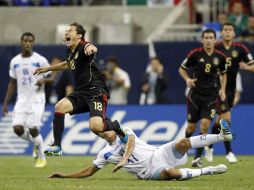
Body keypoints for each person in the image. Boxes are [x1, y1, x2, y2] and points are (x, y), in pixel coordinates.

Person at [33, 22, 126, 156]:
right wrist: (49, 68)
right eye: (65, 31)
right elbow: (68, 64)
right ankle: (57, 146)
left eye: (70, 31)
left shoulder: (83, 47)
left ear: (79, 36)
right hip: (81, 92)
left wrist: (91, 48)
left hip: (96, 92)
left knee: (95, 126)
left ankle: (116, 126)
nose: (66, 33)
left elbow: (92, 47)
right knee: (60, 106)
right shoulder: (70, 51)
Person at [49, 119, 233, 180]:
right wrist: (64, 176)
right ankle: (209, 170)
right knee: (172, 174)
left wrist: (124, 159)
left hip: (159, 153)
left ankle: (221, 136)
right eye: (100, 134)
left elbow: (130, 142)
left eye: (105, 130)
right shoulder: (104, 154)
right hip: (149, 171)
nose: (104, 134)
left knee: (183, 142)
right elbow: (89, 171)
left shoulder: (125, 131)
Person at [204, 23, 254, 164]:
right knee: (227, 119)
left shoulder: (240, 49)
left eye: (230, 30)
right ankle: (229, 152)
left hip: (231, 90)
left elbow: (253, 65)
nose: (227, 32)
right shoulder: (216, 47)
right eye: (225, 30)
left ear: (234, 33)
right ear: (222, 33)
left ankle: (209, 145)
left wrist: (246, 67)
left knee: (220, 122)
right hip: (216, 89)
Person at [2, 32, 52, 168]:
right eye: (25, 41)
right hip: (22, 99)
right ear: (21, 42)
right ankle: (36, 144)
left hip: (37, 98)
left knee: (33, 129)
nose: (27, 43)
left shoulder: (40, 60)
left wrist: (44, 80)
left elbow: (52, 77)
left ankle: (42, 157)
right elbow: (12, 83)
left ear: (33, 43)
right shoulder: (15, 61)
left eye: (30, 41)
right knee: (17, 128)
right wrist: (5, 104)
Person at [178, 29, 227, 167]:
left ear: (215, 40)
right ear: (202, 39)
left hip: (211, 96)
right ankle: (184, 149)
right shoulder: (195, 54)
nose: (209, 40)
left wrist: (222, 89)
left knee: (205, 126)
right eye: (206, 37)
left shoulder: (220, 57)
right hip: (195, 95)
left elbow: (224, 74)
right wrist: (187, 79)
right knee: (191, 127)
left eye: (211, 37)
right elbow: (181, 68)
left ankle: (196, 158)